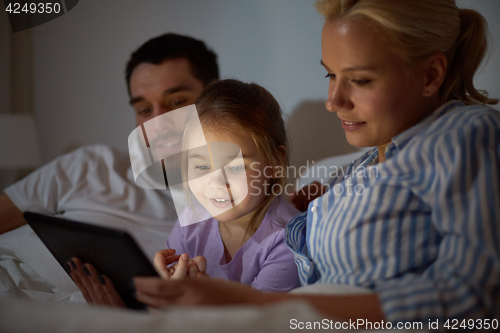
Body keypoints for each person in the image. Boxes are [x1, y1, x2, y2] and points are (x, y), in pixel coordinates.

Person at [128, 0, 499, 325]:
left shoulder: (465, 132)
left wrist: (249, 302)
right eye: (331, 75)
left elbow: (472, 297)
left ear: (430, 75)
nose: (333, 101)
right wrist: (313, 216)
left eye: (360, 80)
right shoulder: (358, 169)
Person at [67, 80, 301, 305]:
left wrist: (202, 301)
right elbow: (167, 308)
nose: (216, 182)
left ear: (274, 163)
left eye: (236, 166)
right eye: (201, 166)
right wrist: (162, 290)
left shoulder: (288, 242)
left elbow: (257, 324)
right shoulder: (192, 221)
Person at [0, 33, 219, 256]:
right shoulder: (90, 166)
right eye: (144, 110)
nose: (157, 123)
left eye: (176, 102)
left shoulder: (228, 219)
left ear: (217, 101)